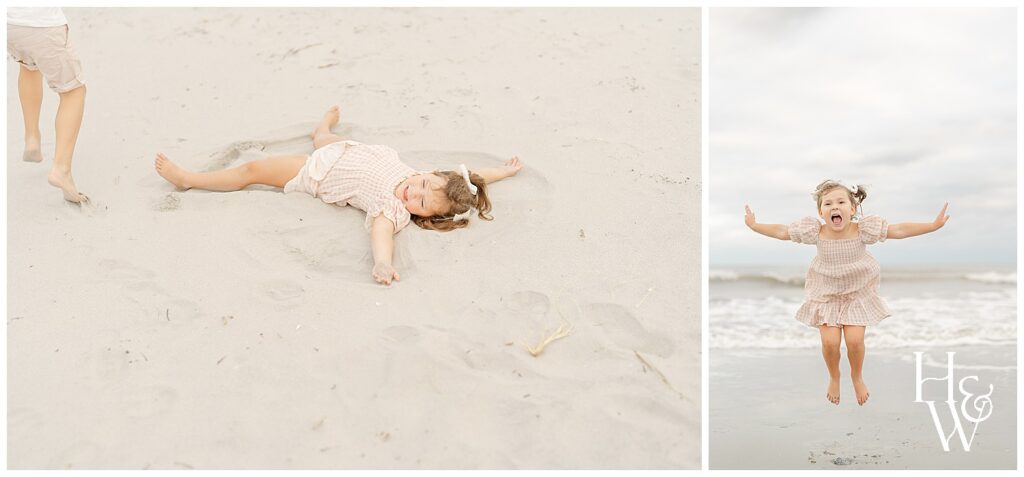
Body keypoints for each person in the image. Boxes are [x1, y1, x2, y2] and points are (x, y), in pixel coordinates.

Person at [154, 106, 523, 285]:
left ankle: (189, 179)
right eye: (425, 184)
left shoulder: (392, 208)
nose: (417, 192)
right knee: (322, 138)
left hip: (314, 171)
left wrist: (381, 263)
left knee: (254, 171)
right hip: (346, 148)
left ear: (422, 217)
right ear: (430, 173)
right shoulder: (418, 176)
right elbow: (469, 176)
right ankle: (322, 127)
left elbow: (380, 234)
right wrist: (502, 172)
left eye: (422, 202)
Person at [744, 180, 949, 406]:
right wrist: (755, 226)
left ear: (852, 209)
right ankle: (834, 376)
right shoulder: (815, 231)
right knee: (830, 343)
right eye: (828, 203)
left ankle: (856, 376)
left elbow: (898, 230)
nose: (835, 207)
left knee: (854, 341)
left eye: (841, 202)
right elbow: (783, 232)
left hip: (857, 292)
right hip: (826, 293)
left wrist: (932, 225)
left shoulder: (863, 230)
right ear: (821, 212)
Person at [7, 7, 89, 203]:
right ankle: (61, 169)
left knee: (29, 65)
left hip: (10, 23)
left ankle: (32, 138)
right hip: (43, 23)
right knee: (73, 91)